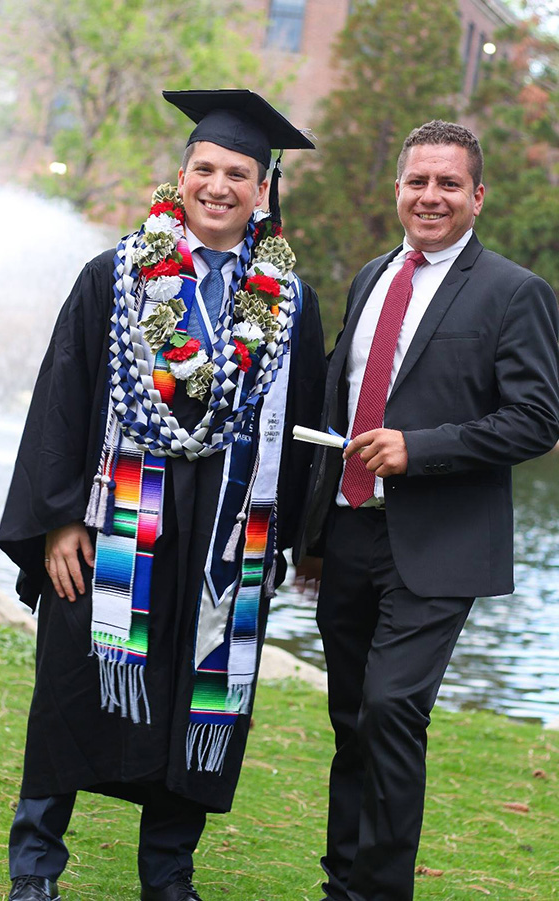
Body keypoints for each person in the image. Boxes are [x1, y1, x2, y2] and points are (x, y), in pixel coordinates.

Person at [0, 89, 325, 901]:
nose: (219, 185)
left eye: (238, 173)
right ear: (180, 175)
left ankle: (168, 873)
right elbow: (62, 402)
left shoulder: (288, 305)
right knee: (71, 688)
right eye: (205, 168)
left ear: (263, 190)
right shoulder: (114, 277)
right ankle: (36, 864)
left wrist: (283, 547)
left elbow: (306, 425)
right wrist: (59, 520)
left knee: (198, 700)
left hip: (224, 543)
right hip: (114, 527)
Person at [295, 120, 559, 901]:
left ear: (477, 195)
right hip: (350, 531)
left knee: (391, 710)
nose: (431, 196)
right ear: (399, 189)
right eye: (418, 181)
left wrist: (422, 446)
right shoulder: (372, 276)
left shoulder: (515, 292)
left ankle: (377, 892)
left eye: (449, 183)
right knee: (351, 716)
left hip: (440, 543)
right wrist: (311, 534)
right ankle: (342, 880)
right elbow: (344, 394)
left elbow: (539, 417)